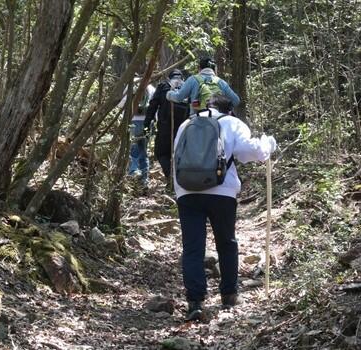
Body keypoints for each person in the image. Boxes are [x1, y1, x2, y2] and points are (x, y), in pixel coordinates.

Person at [173, 94, 276, 321]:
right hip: (222, 191)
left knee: (192, 247)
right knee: (226, 242)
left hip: (187, 191)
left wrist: (180, 191)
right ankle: (229, 294)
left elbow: (177, 159)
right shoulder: (231, 123)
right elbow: (252, 153)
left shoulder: (186, 124)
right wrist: (267, 145)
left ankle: (195, 301)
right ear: (229, 110)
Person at [144, 69, 189, 180]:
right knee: (182, 154)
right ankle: (180, 179)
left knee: (162, 153)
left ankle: (170, 176)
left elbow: (152, 106)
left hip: (165, 127)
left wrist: (147, 124)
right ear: (181, 77)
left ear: (169, 77)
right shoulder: (187, 87)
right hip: (184, 128)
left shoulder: (163, 86)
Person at [166, 57, 240, 114]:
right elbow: (236, 100)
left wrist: (169, 94)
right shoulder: (221, 82)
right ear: (215, 70)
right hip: (218, 120)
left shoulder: (193, 79)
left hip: (197, 119)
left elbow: (179, 97)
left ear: (199, 68)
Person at [118, 81, 155, 187]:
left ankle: (132, 174)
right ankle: (144, 179)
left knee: (133, 149)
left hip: (133, 121)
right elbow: (155, 105)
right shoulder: (151, 88)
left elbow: (121, 104)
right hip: (147, 122)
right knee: (143, 150)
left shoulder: (131, 85)